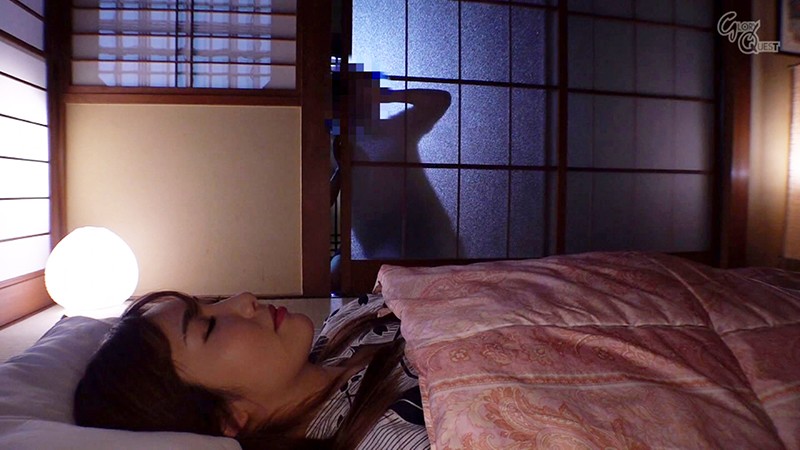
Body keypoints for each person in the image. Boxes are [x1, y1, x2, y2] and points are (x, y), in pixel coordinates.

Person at [73, 291, 429, 450]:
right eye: (209, 328)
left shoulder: (343, 323)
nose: (244, 299)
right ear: (227, 418)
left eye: (212, 303)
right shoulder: (395, 436)